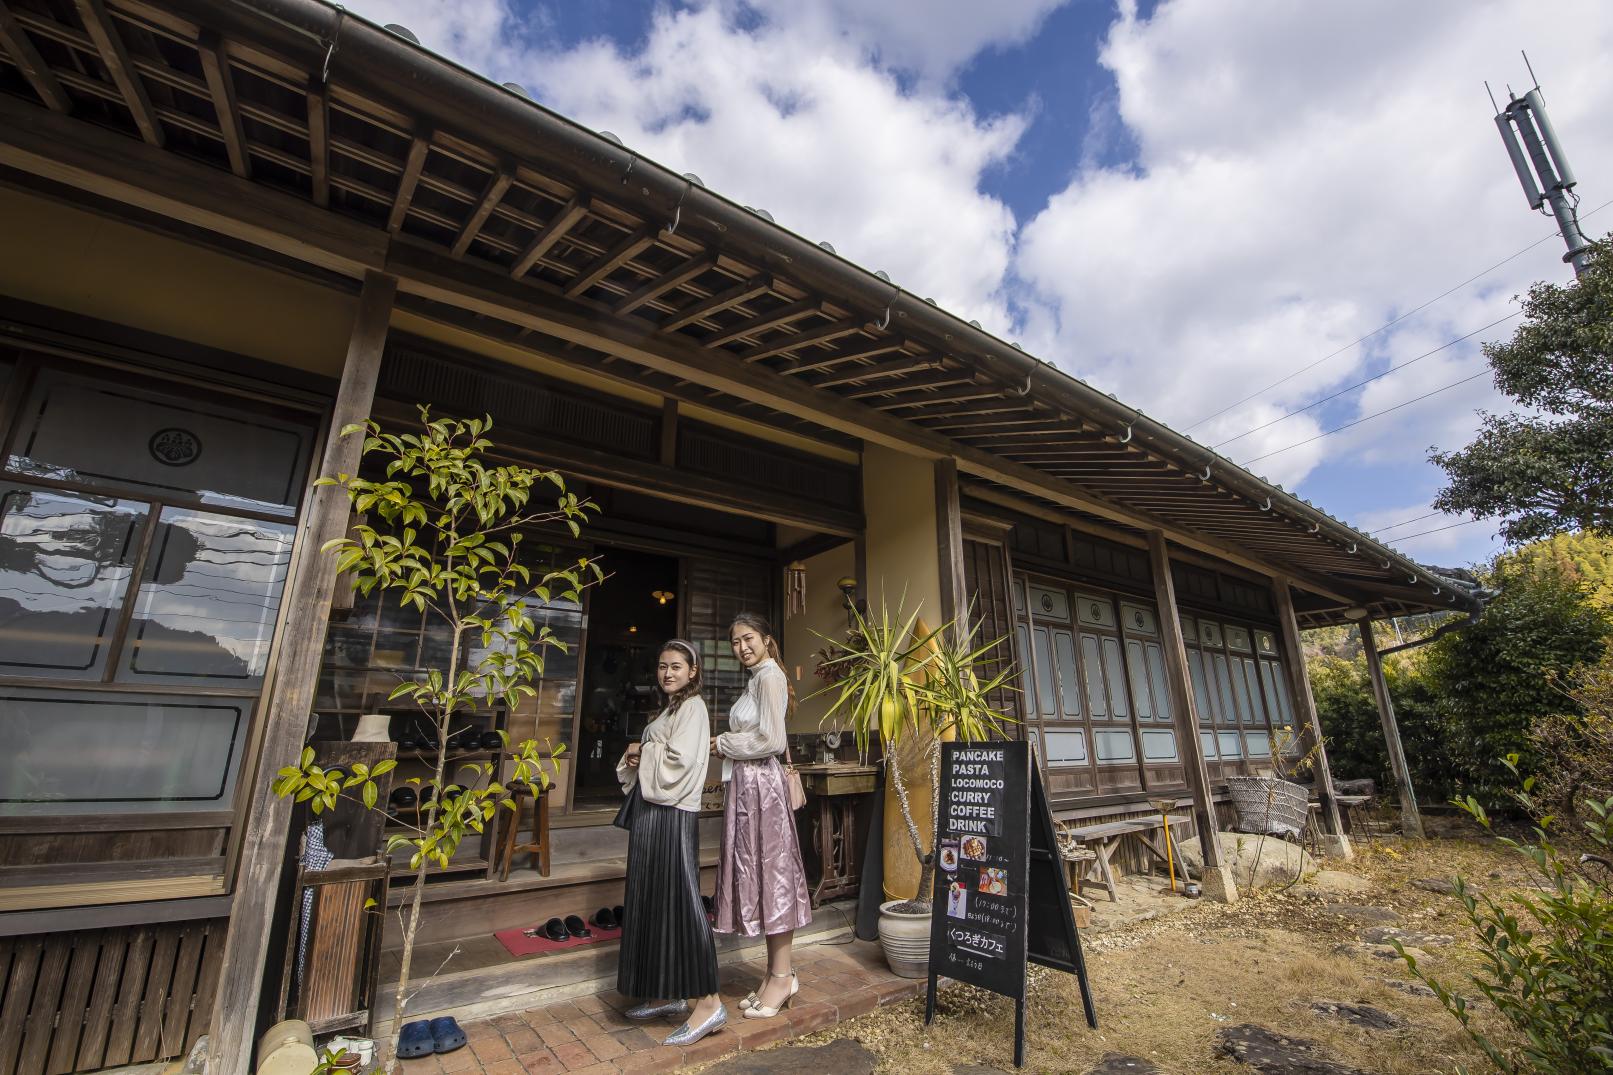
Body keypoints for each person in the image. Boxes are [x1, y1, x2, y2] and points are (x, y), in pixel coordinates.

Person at [616, 640, 725, 1045]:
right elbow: (659, 755)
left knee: (680, 900)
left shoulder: (693, 709)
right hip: (652, 811)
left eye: (676, 666)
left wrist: (641, 749)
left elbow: (680, 762)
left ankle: (709, 1001)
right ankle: (667, 990)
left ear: (693, 671)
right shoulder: (671, 709)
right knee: (652, 899)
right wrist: (639, 754)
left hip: (673, 813)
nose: (668, 673)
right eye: (662, 666)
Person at [711, 612, 813, 1019]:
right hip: (749, 787)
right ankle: (775, 975)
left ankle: (784, 975)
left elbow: (773, 739)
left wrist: (723, 742)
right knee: (762, 876)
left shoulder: (769, 676)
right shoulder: (757, 679)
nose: (742, 647)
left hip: (762, 788)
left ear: (767, 640)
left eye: (748, 638)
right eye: (735, 642)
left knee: (773, 876)